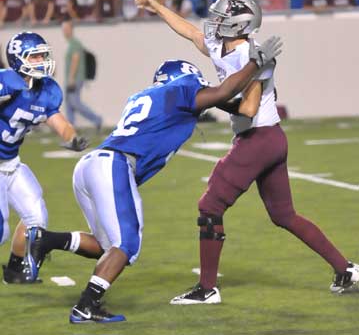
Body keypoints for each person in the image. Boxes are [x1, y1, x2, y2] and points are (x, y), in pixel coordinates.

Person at [23, 37, 282, 323]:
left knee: (107, 246)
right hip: (115, 164)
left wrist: (254, 78)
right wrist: (255, 63)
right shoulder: (181, 89)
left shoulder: (150, 96)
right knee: (127, 245)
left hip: (92, 165)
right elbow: (224, 91)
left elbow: (238, 106)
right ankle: (86, 306)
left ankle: (45, 240)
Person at [133, 0, 359, 303]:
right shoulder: (221, 44)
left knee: (210, 205)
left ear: (239, 23)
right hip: (269, 139)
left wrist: (207, 98)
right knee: (284, 215)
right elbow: (190, 32)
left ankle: (207, 289)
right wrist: (156, 5)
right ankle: (346, 269)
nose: (214, 22)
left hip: (259, 140)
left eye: (221, 17)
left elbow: (249, 109)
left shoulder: (255, 56)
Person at [0, 31, 89, 284]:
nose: (42, 60)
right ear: (18, 59)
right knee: (1, 231)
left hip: (11, 163)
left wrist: (72, 138)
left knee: (36, 218)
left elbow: (60, 122)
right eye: (35, 56)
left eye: (43, 55)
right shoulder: (6, 81)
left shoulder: (47, 90)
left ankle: (15, 271)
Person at [62, 19, 102, 131]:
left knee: (74, 102)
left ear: (71, 30)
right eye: (64, 29)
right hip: (72, 78)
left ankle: (97, 119)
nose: (64, 32)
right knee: (69, 104)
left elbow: (75, 60)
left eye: (66, 29)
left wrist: (71, 78)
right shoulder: (72, 43)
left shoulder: (75, 43)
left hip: (75, 78)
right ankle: (70, 127)